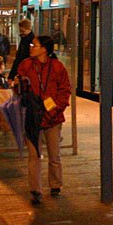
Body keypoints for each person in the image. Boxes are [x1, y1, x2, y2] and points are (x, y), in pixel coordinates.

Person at [14, 35, 70, 205]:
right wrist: (18, 85)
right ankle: (35, 190)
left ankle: (55, 185)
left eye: (34, 45)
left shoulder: (58, 68)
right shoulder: (26, 65)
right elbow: (19, 90)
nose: (31, 47)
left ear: (44, 49)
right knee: (34, 155)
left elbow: (64, 91)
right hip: (32, 116)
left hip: (52, 118)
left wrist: (52, 110)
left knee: (54, 154)